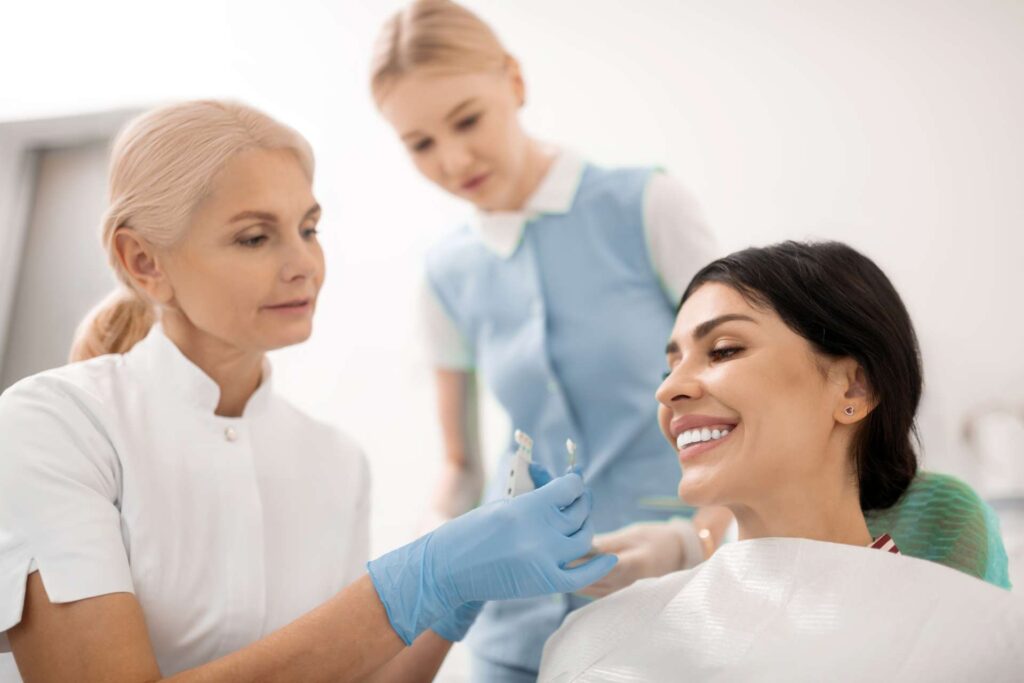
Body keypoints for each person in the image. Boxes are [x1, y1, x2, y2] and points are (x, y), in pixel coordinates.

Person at [0, 100, 614, 682]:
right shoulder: (55, 425)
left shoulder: (335, 461)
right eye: (254, 237)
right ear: (143, 262)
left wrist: (453, 596)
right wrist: (410, 583)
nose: (304, 265)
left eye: (309, 228)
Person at [369, 1, 719, 677]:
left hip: (673, 594)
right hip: (513, 621)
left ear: (516, 83)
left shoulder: (645, 206)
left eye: (467, 119)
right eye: (420, 144)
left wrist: (692, 539)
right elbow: (460, 465)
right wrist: (431, 544)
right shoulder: (446, 273)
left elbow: (755, 396)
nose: (453, 158)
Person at [538, 241, 1024, 681]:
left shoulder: (982, 644)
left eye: (724, 349)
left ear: (854, 388)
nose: (667, 389)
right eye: (670, 366)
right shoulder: (588, 642)